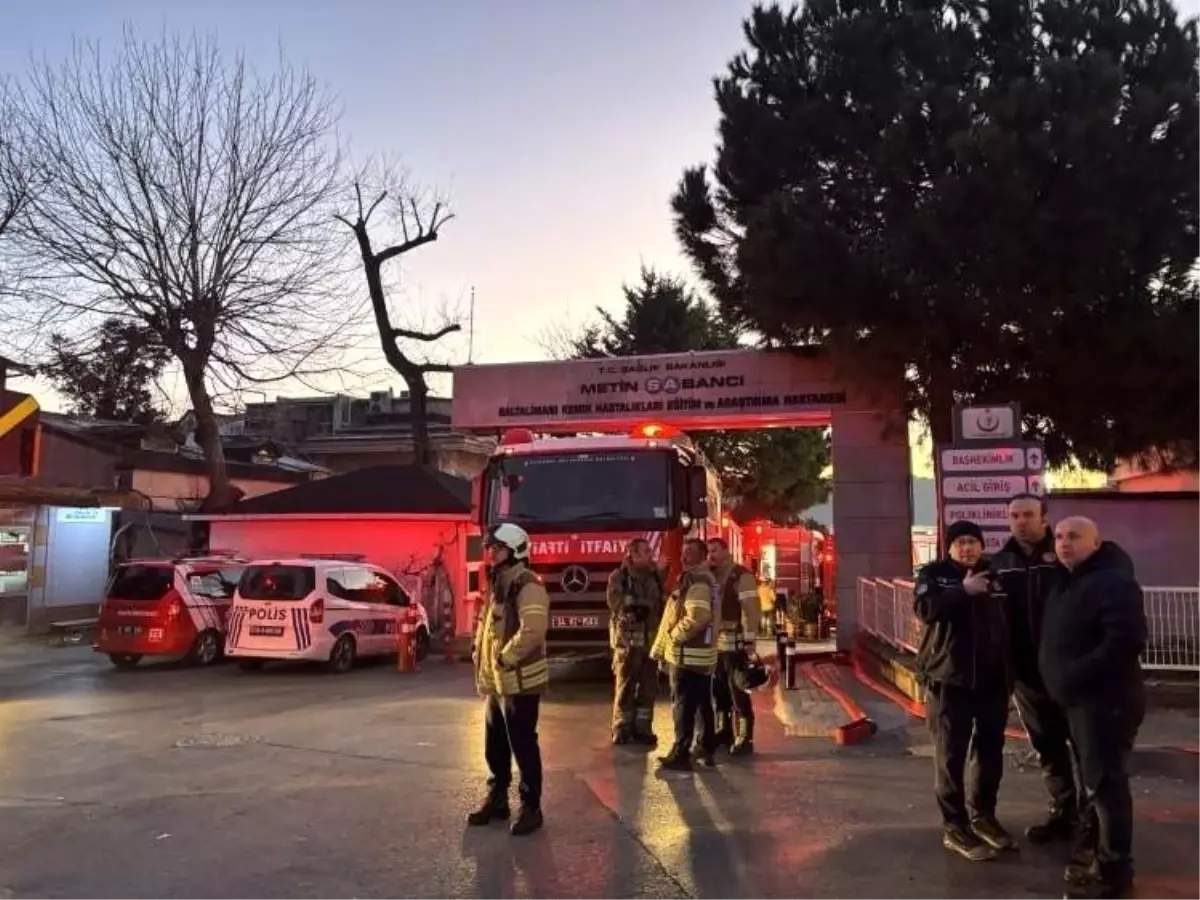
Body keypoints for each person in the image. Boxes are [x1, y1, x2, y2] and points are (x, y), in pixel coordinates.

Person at [1040, 517, 1146, 899]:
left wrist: (1074, 676)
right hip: (1077, 702)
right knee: (1094, 784)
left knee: (1106, 786)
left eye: (1074, 536)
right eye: (1059, 536)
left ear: (1097, 543)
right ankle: (1096, 860)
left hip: (1105, 702)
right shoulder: (1067, 582)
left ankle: (1115, 875)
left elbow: (1125, 641)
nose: (1064, 543)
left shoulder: (1113, 582)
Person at [913, 520, 1015, 861]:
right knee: (950, 755)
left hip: (992, 681)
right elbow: (925, 611)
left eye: (972, 541)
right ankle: (955, 826)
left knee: (989, 753)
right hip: (949, 681)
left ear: (981, 545)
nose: (967, 548)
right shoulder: (934, 575)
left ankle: (983, 816)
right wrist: (962, 591)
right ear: (950, 547)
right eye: (960, 543)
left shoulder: (996, 574)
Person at [991, 494, 1077, 841]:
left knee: (1085, 744)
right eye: (1014, 516)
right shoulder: (999, 563)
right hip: (1025, 674)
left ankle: (1095, 820)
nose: (1021, 521)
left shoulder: (1063, 557)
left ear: (1044, 519)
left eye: (1028, 514)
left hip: (1068, 670)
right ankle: (1064, 813)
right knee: (1047, 745)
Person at [466, 522, 550, 837]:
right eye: (490, 548)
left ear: (515, 550)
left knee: (523, 744)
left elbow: (533, 630)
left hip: (520, 681)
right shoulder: (498, 582)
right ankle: (498, 799)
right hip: (497, 681)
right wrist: (480, 654)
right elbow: (487, 626)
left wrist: (505, 658)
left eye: (497, 549)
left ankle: (531, 807)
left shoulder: (528, 584)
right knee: (496, 744)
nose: (491, 554)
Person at [651, 537, 718, 770]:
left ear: (702, 555)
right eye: (683, 551)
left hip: (687, 656)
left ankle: (680, 754)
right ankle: (705, 747)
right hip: (697, 655)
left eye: (689, 552)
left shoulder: (697, 582)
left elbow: (698, 616)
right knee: (701, 704)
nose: (683, 556)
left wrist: (675, 636)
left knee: (683, 707)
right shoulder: (699, 579)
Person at [606, 537, 665, 746]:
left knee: (649, 687)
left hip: (650, 642)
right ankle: (622, 728)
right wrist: (636, 608)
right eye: (646, 551)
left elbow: (661, 602)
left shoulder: (655, 576)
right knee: (625, 686)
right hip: (627, 642)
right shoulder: (619, 577)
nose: (651, 555)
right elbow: (616, 603)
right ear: (633, 555)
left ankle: (643, 727)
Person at [707, 537, 762, 755]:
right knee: (719, 691)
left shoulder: (741, 575)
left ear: (726, 551)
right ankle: (724, 731)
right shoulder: (710, 576)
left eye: (714, 551)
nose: (710, 555)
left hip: (735, 646)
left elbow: (751, 610)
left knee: (738, 692)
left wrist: (749, 641)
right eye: (708, 552)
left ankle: (745, 737)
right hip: (716, 647)